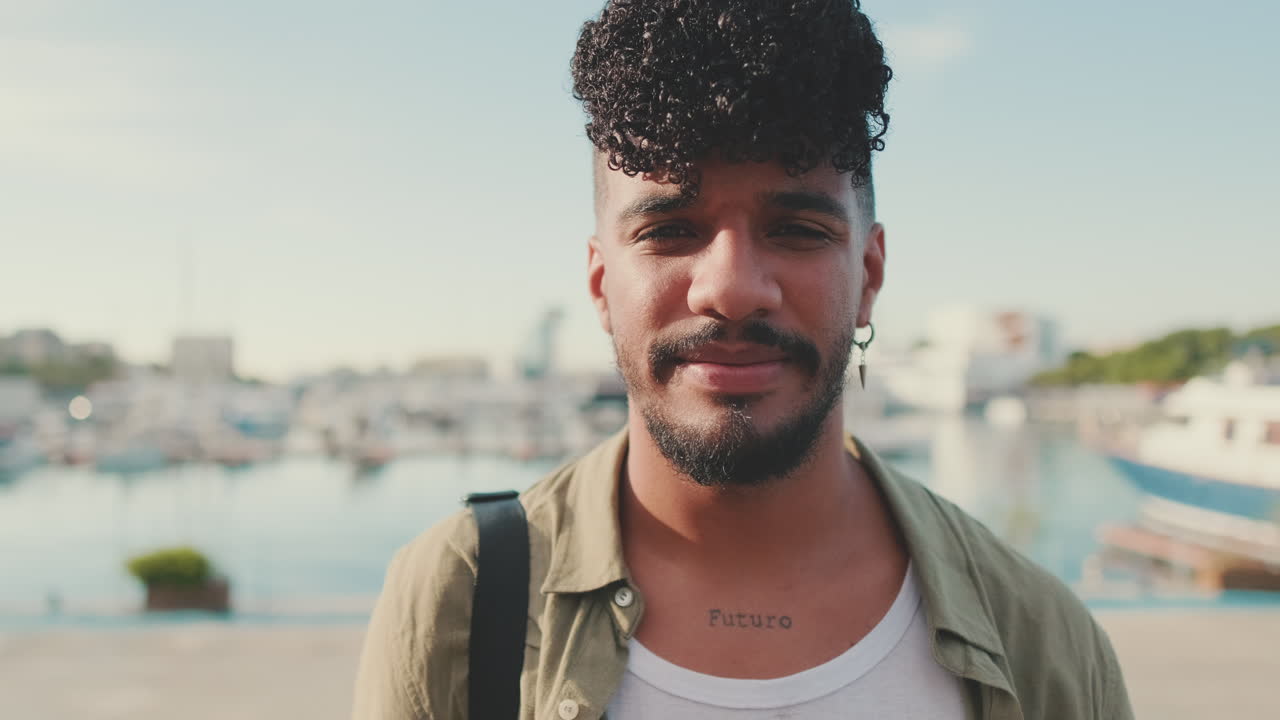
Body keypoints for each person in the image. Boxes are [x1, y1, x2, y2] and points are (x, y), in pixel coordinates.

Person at [352, 1, 1134, 717]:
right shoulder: (460, 599)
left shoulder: (1043, 642)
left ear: (868, 277)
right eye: (669, 230)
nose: (730, 290)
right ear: (600, 284)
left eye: (796, 230)